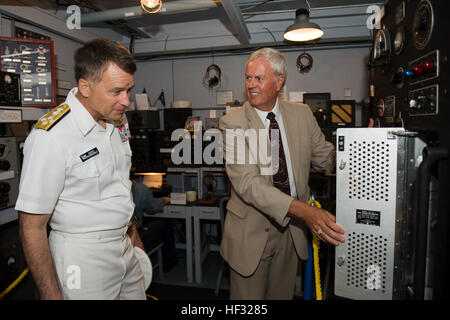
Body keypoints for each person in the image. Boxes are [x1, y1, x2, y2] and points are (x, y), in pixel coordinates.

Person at [16, 39, 148, 300]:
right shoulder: (52, 136)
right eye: (116, 91)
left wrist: (132, 235)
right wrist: (50, 296)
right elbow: (31, 227)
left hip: (124, 248)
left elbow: (118, 184)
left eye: (129, 90)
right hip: (82, 257)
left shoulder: (116, 119)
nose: (126, 101)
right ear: (85, 86)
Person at [218, 48, 345, 300]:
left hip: (291, 232)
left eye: (259, 78)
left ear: (279, 81)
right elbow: (248, 184)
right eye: (248, 78)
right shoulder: (233, 122)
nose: (251, 85)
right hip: (251, 232)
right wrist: (305, 211)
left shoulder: (302, 114)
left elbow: (326, 158)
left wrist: (359, 148)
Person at [131, 178, 178, 271]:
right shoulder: (139, 188)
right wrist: (164, 200)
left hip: (117, 240)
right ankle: (168, 263)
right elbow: (152, 208)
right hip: (136, 237)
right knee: (166, 222)